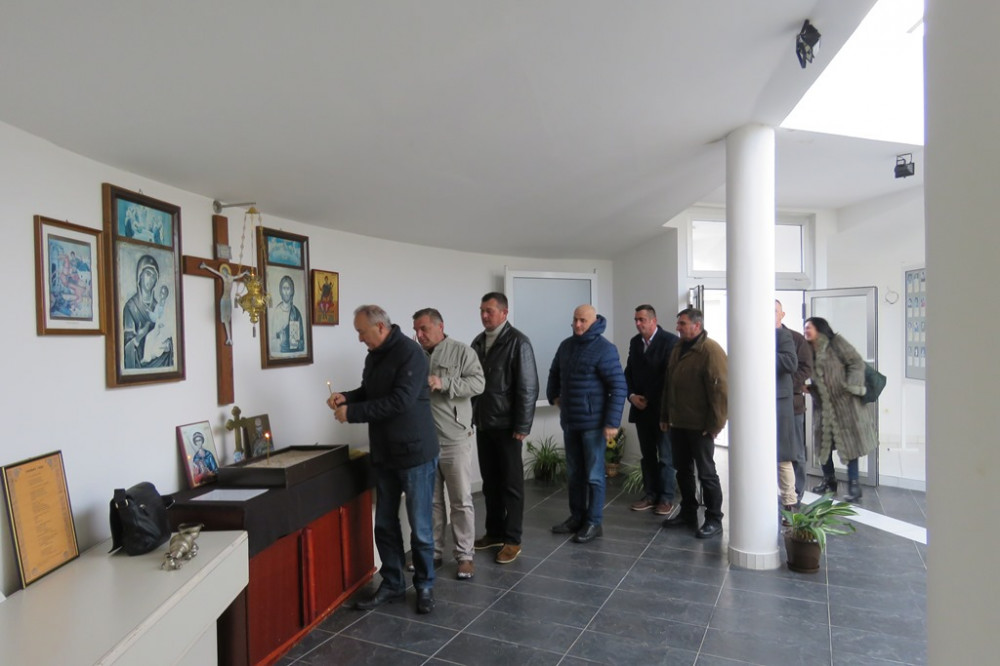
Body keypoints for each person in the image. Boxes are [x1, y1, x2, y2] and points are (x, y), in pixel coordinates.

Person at [328, 305, 439, 614]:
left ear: (379, 327)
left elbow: (400, 401)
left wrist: (352, 413)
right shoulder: (374, 355)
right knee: (385, 524)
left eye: (361, 332)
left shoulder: (410, 354)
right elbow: (371, 391)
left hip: (415, 454)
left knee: (420, 527)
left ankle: (425, 585)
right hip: (386, 454)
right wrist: (348, 397)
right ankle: (392, 584)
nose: (359, 338)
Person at [412, 308, 485, 580]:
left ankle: (465, 556)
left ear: (440, 326)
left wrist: (444, 382)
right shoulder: (415, 355)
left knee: (461, 501)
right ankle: (433, 552)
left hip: (455, 440)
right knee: (431, 502)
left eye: (424, 329)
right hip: (425, 442)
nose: (419, 335)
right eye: (416, 330)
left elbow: (478, 383)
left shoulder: (462, 351)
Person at [547, 305, 627, 544]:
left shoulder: (605, 349)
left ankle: (594, 522)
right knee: (574, 474)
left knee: (594, 475)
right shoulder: (566, 346)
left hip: (594, 424)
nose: (578, 324)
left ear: (593, 322)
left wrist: (612, 422)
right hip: (571, 421)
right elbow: (554, 372)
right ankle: (577, 517)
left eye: (583, 320)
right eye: (575, 320)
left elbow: (618, 387)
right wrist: (554, 396)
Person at [470, 292, 538, 565]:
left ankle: (512, 539)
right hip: (484, 423)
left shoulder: (518, 342)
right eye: (482, 310)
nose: (484, 315)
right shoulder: (477, 342)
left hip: (509, 426)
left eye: (489, 311)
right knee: (490, 482)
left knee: (511, 484)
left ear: (504, 313)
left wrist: (523, 424)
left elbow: (528, 387)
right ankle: (495, 532)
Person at [659, 308, 728, 539]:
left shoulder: (711, 350)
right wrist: (665, 416)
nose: (677, 327)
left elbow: (720, 391)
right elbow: (669, 385)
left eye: (682, 323)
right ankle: (688, 512)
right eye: (678, 323)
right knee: (683, 470)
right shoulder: (678, 347)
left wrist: (716, 425)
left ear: (697, 326)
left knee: (707, 474)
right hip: (678, 422)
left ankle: (714, 519)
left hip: (701, 426)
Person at [804, 316, 878, 502]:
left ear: (820, 328)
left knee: (850, 444)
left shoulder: (836, 343)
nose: (806, 330)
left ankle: (854, 486)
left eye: (809, 327)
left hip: (846, 405)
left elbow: (856, 362)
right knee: (823, 446)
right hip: (824, 407)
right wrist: (810, 389)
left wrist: (851, 385)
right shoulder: (808, 350)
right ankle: (829, 481)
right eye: (805, 327)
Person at [624, 304, 679, 516]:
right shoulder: (635, 342)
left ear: (653, 321)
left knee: (665, 456)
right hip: (641, 410)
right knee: (647, 456)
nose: (638, 324)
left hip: (661, 410)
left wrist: (660, 406)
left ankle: (666, 498)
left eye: (642, 320)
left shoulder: (669, 341)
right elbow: (628, 372)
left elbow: (670, 378)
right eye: (636, 320)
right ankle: (650, 495)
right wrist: (632, 396)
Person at [776, 300, 813, 501]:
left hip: (793, 404)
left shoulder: (796, 338)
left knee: (795, 451)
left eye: (775, 311)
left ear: (782, 314)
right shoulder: (760, 336)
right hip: (771, 405)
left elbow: (806, 367)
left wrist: (788, 385)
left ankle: (796, 494)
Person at [122, 254, 173, 368]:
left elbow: (166, 329)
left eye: (154, 276)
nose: (151, 279)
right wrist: (139, 337)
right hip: (140, 366)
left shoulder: (158, 306)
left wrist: (168, 345)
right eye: (148, 274)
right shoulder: (131, 307)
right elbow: (126, 348)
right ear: (140, 276)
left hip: (160, 362)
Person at [775, 313, 799, 516]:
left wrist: (763, 351)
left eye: (774, 311)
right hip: (758, 404)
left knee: (783, 457)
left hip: (779, 403)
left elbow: (791, 363)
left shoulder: (783, 335)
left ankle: (789, 504)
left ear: (781, 315)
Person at [199, 262, 249, 345]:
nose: (224, 273)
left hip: (228, 300)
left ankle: (229, 338)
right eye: (223, 272)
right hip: (224, 300)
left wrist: (245, 273)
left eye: (225, 272)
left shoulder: (232, 278)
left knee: (228, 318)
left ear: (227, 272)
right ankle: (229, 338)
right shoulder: (223, 277)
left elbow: (238, 276)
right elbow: (215, 271)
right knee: (225, 319)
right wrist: (206, 266)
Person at [271, 275, 304, 354]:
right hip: (281, 353)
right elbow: (272, 338)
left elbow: (302, 341)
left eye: (288, 288)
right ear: (281, 290)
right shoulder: (277, 312)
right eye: (284, 288)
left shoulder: (296, 313)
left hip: (294, 354)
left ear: (291, 291)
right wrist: (280, 336)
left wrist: (297, 342)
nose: (286, 292)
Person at [142, 285, 171, 364]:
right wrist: (149, 312)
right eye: (161, 293)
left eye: (163, 293)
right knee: (149, 337)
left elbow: (169, 319)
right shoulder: (158, 305)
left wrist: (163, 323)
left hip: (165, 330)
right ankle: (146, 358)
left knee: (157, 344)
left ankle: (162, 349)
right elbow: (155, 318)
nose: (162, 295)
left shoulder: (168, 306)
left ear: (166, 295)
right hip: (157, 329)